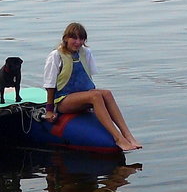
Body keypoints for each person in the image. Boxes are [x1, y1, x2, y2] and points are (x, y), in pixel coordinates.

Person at [42, 22, 142, 152]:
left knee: (106, 93)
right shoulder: (56, 56)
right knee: (95, 96)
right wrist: (49, 110)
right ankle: (118, 138)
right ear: (66, 38)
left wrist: (95, 103)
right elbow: (50, 85)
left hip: (82, 98)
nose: (77, 42)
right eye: (74, 38)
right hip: (63, 100)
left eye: (81, 39)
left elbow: (86, 77)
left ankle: (127, 135)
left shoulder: (86, 53)